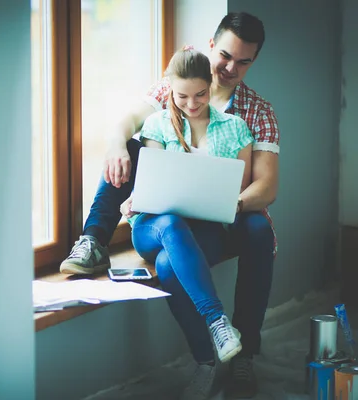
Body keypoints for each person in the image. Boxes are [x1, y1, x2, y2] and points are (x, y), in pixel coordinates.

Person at [60, 12, 278, 399]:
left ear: (254, 60)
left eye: (244, 61)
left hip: (223, 217)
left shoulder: (252, 115)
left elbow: (265, 187)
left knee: (258, 230)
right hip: (166, 219)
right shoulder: (177, 90)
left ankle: (239, 356)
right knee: (130, 151)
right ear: (212, 46)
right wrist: (118, 151)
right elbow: (137, 135)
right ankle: (94, 239)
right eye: (226, 55)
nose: (231, 68)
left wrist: (222, 201)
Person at [123, 46, 253, 399]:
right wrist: (136, 198)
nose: (192, 104)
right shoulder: (157, 124)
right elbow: (152, 184)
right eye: (182, 96)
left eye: (200, 94)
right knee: (169, 224)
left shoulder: (234, 128)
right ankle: (217, 322)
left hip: (206, 231)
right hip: (153, 226)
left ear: (210, 86)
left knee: (169, 266)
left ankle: (205, 363)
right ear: (168, 89)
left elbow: (235, 191)